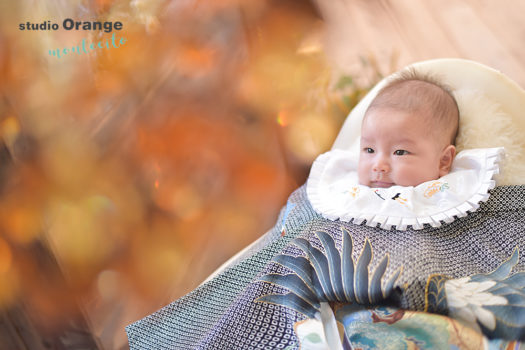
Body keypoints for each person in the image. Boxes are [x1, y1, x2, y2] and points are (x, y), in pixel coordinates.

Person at [358, 70, 459, 188]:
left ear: (443, 161)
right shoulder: (342, 184)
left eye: (400, 152)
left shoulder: (451, 196)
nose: (378, 166)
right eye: (369, 150)